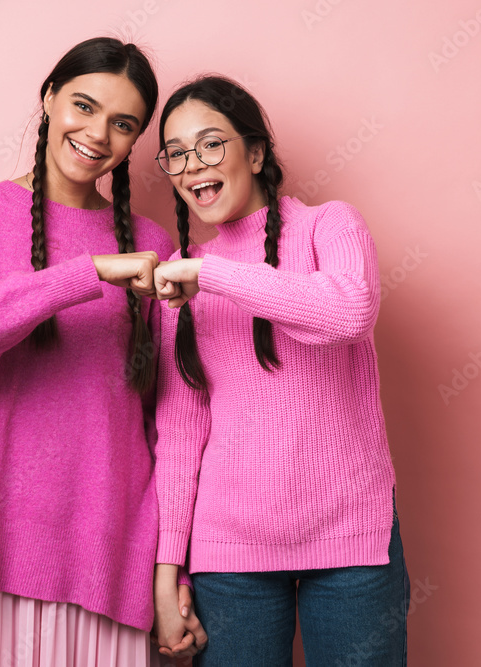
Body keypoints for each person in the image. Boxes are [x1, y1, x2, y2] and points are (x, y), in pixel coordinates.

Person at [0, 37, 204, 666]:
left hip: (111, 543)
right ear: (49, 98)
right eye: (83, 105)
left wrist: (170, 577)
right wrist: (87, 272)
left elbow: (172, 425)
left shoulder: (154, 249)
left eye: (123, 124)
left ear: (135, 141)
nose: (98, 134)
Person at [149, 75, 409, 665]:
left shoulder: (330, 226)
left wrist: (211, 275)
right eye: (177, 154)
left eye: (211, 143)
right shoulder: (180, 278)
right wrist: (171, 575)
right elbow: (181, 435)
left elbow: (347, 311)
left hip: (352, 541)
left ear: (257, 152)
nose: (193, 166)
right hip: (229, 554)